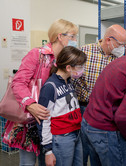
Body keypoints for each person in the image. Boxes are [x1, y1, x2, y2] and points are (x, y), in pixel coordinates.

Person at [2, 19, 78, 166]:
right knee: (28, 162)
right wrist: (30, 104)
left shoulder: (63, 59)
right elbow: (18, 82)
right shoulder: (37, 54)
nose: (75, 40)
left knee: (48, 160)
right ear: (59, 36)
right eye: (72, 36)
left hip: (49, 121)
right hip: (30, 119)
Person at [72, 24, 126, 165]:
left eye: (125, 45)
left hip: (108, 113)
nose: (123, 48)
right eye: (121, 44)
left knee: (101, 154)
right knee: (83, 151)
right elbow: (71, 79)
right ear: (108, 40)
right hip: (84, 108)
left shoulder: (120, 58)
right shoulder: (84, 52)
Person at [37, 46, 87, 166]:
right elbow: (43, 120)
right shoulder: (50, 87)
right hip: (61, 138)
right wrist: (48, 150)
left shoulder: (68, 81)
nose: (82, 70)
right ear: (68, 67)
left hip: (75, 133)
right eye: (80, 67)